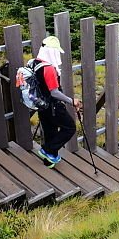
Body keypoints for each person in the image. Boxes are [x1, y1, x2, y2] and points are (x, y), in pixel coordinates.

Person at [32, 36, 82, 168]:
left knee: (50, 133)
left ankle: (49, 161)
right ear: (52, 51)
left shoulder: (35, 62)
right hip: (53, 107)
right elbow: (54, 92)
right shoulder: (48, 69)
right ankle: (47, 150)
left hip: (42, 105)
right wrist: (72, 101)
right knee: (70, 127)